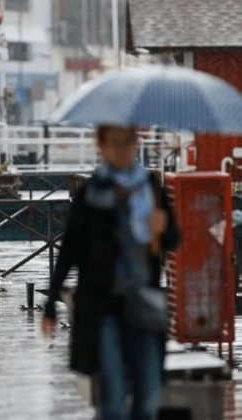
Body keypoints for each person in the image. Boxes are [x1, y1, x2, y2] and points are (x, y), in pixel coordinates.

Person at [41, 125, 179, 420]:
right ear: (100, 145)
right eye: (113, 143)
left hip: (144, 302)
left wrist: (162, 229)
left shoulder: (151, 188)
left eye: (126, 142)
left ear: (135, 143)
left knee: (148, 398)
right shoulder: (91, 193)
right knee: (112, 398)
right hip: (103, 306)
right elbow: (70, 252)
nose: (120, 150)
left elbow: (173, 241)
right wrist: (50, 303)